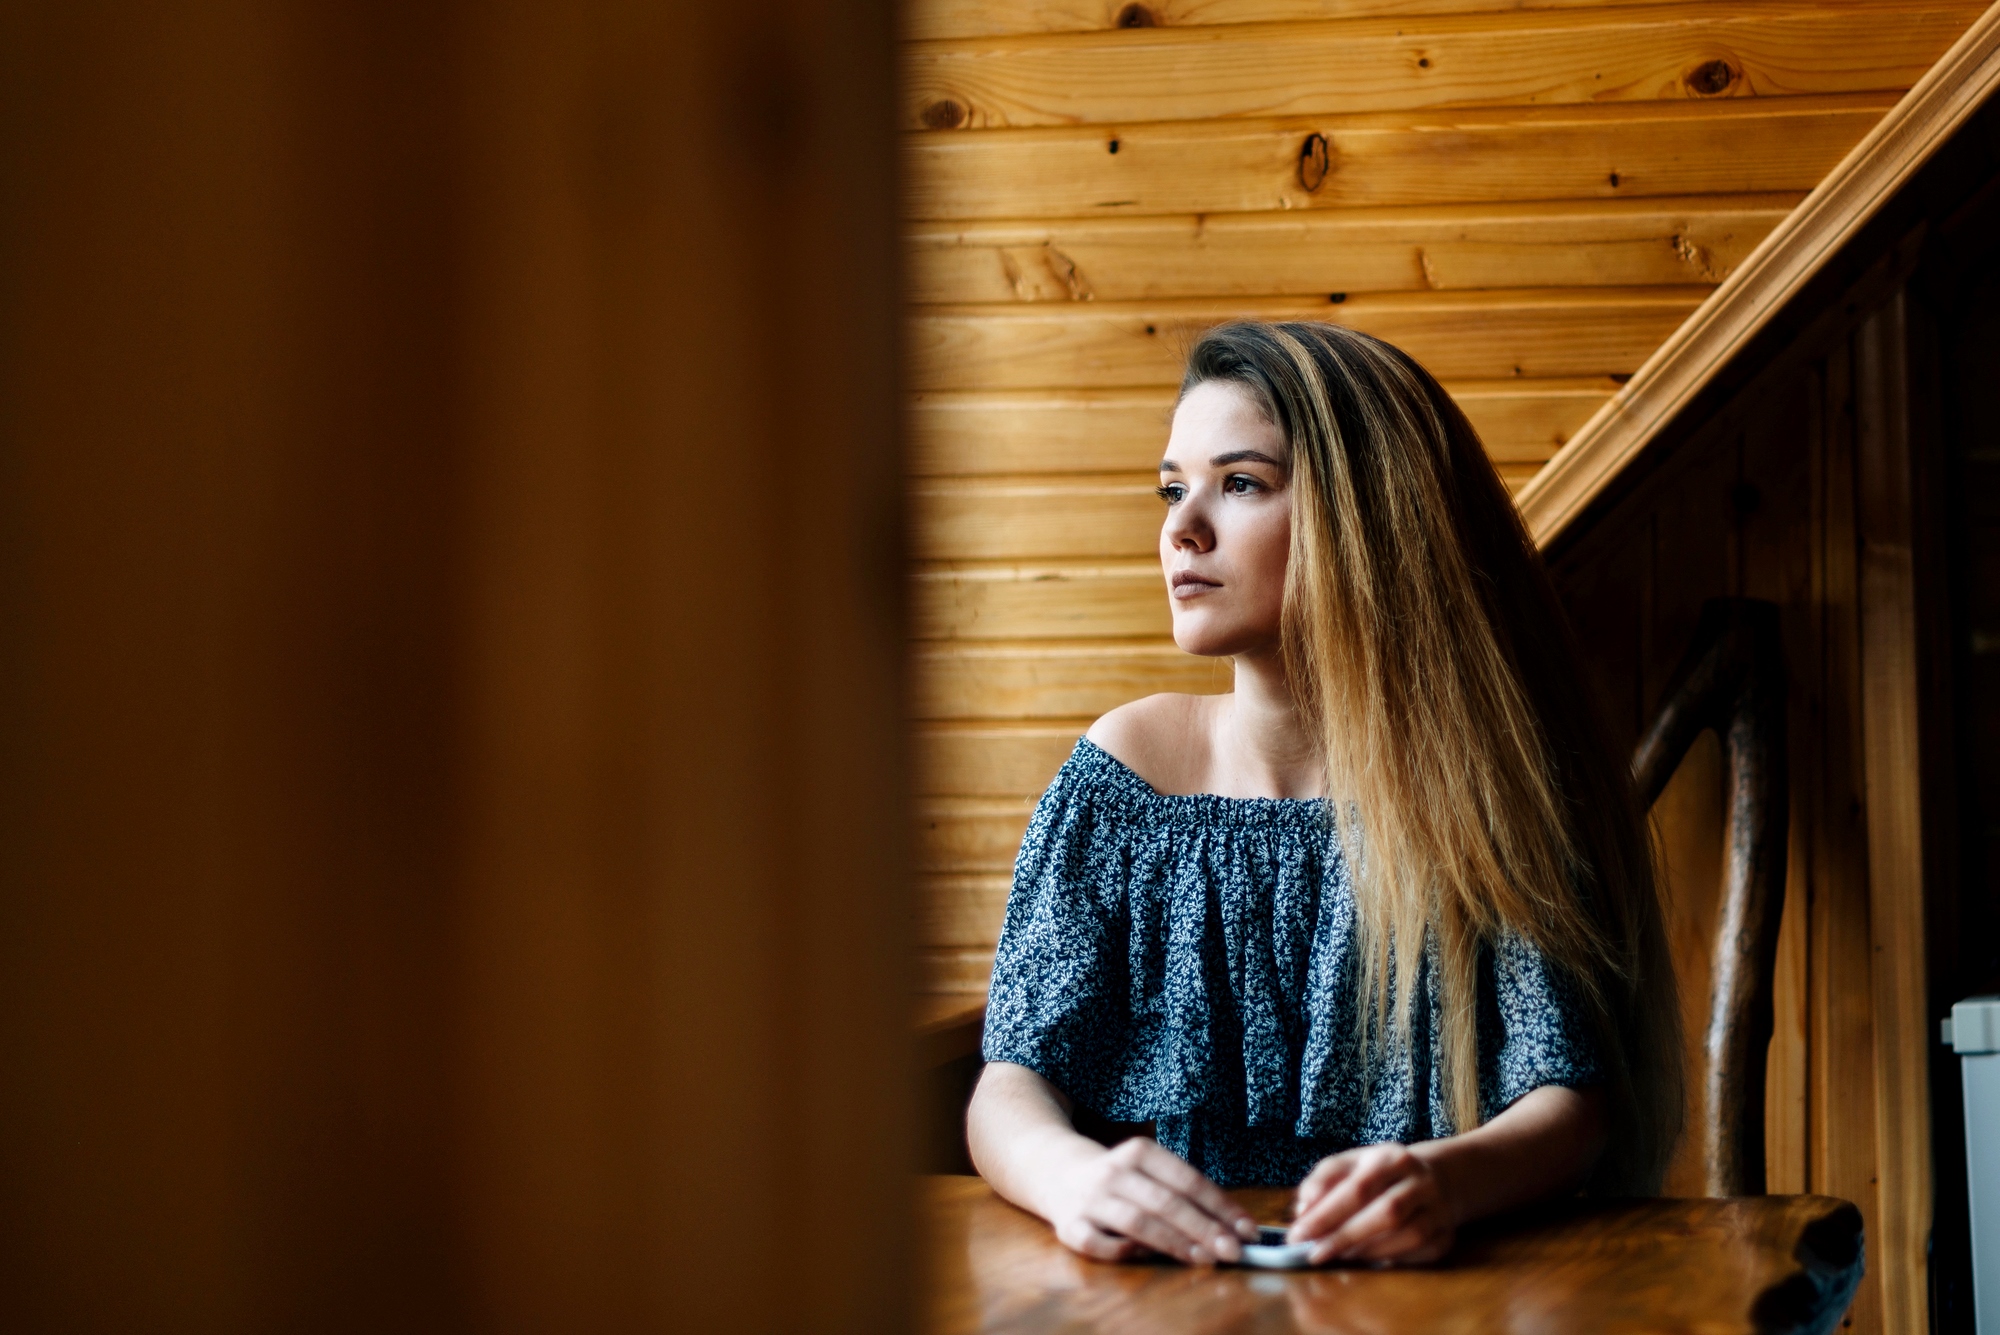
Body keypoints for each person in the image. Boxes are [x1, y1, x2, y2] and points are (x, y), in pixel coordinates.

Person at [965, 321, 1684, 1268]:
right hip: (1156, 1306)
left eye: (1242, 483)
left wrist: (1443, 1184)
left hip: (1429, 1303)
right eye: (1174, 488)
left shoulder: (1478, 791)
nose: (1182, 526)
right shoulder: (1124, 772)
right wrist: (1072, 1180)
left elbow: (1572, 1099)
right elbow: (1009, 1082)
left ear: (1368, 517)